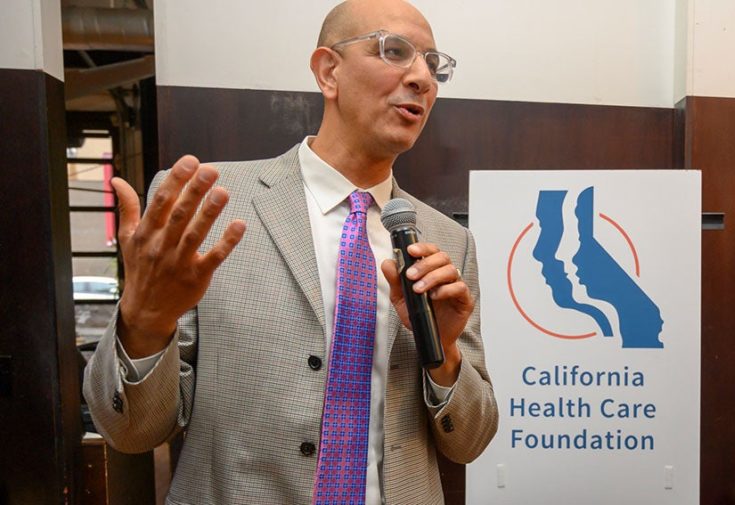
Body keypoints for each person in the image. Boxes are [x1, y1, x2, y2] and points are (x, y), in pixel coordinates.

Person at [82, 0, 498, 503]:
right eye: (395, 51)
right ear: (329, 71)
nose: (422, 79)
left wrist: (445, 353)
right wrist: (144, 322)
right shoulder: (208, 206)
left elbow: (470, 442)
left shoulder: (448, 242)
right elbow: (132, 432)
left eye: (434, 65)